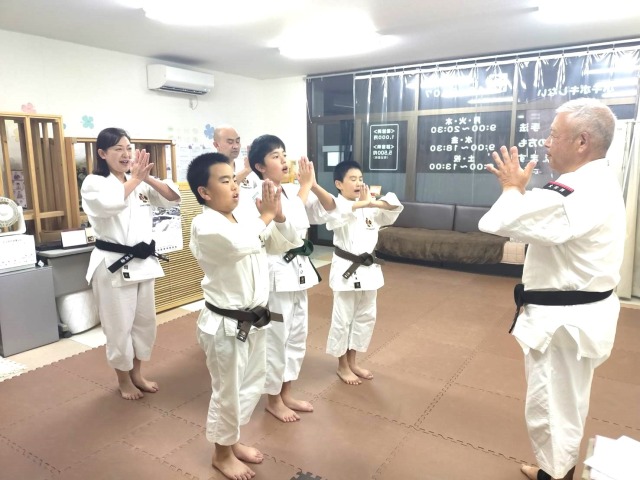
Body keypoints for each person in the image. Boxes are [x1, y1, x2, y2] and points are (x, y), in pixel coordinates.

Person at [478, 98, 626, 480]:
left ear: (582, 142)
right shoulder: (595, 181)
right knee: (565, 405)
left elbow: (500, 221)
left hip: (563, 326)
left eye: (553, 134)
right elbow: (542, 216)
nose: (545, 142)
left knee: (552, 411)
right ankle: (552, 467)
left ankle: (554, 474)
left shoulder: (578, 189)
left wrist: (512, 188)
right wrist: (521, 192)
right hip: (578, 319)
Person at [187, 152, 302, 479]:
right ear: (205, 192)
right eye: (225, 181)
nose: (234, 186)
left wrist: (278, 216)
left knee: (250, 385)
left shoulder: (243, 219)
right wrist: (265, 216)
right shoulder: (205, 225)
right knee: (228, 390)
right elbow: (239, 245)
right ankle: (221, 454)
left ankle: (232, 440)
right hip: (225, 325)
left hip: (254, 320)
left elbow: (285, 243)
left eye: (234, 179)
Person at [81, 127, 181, 400]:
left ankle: (137, 374)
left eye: (129, 148)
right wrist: (136, 179)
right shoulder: (94, 182)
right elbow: (108, 205)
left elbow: (172, 198)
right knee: (118, 327)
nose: (125, 154)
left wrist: (145, 177)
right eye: (118, 149)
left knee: (144, 324)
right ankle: (123, 380)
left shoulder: (137, 181)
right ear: (102, 153)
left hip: (143, 263)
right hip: (113, 265)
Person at [248, 134, 336, 422]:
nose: (284, 160)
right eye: (275, 156)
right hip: (275, 277)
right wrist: (305, 187)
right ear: (260, 166)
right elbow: (290, 226)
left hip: (297, 273)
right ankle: (273, 400)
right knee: (276, 339)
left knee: (296, 336)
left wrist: (310, 185)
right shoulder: (257, 196)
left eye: (284, 154)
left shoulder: (289, 192)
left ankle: (286, 392)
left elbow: (327, 210)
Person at [325, 160, 403, 385]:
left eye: (360, 178)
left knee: (365, 318)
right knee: (342, 319)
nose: (358, 183)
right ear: (339, 184)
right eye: (352, 179)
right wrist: (361, 204)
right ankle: (342, 365)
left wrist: (373, 203)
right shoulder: (336, 206)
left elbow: (395, 205)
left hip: (369, 271)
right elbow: (334, 219)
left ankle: (353, 361)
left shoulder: (369, 206)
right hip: (346, 271)